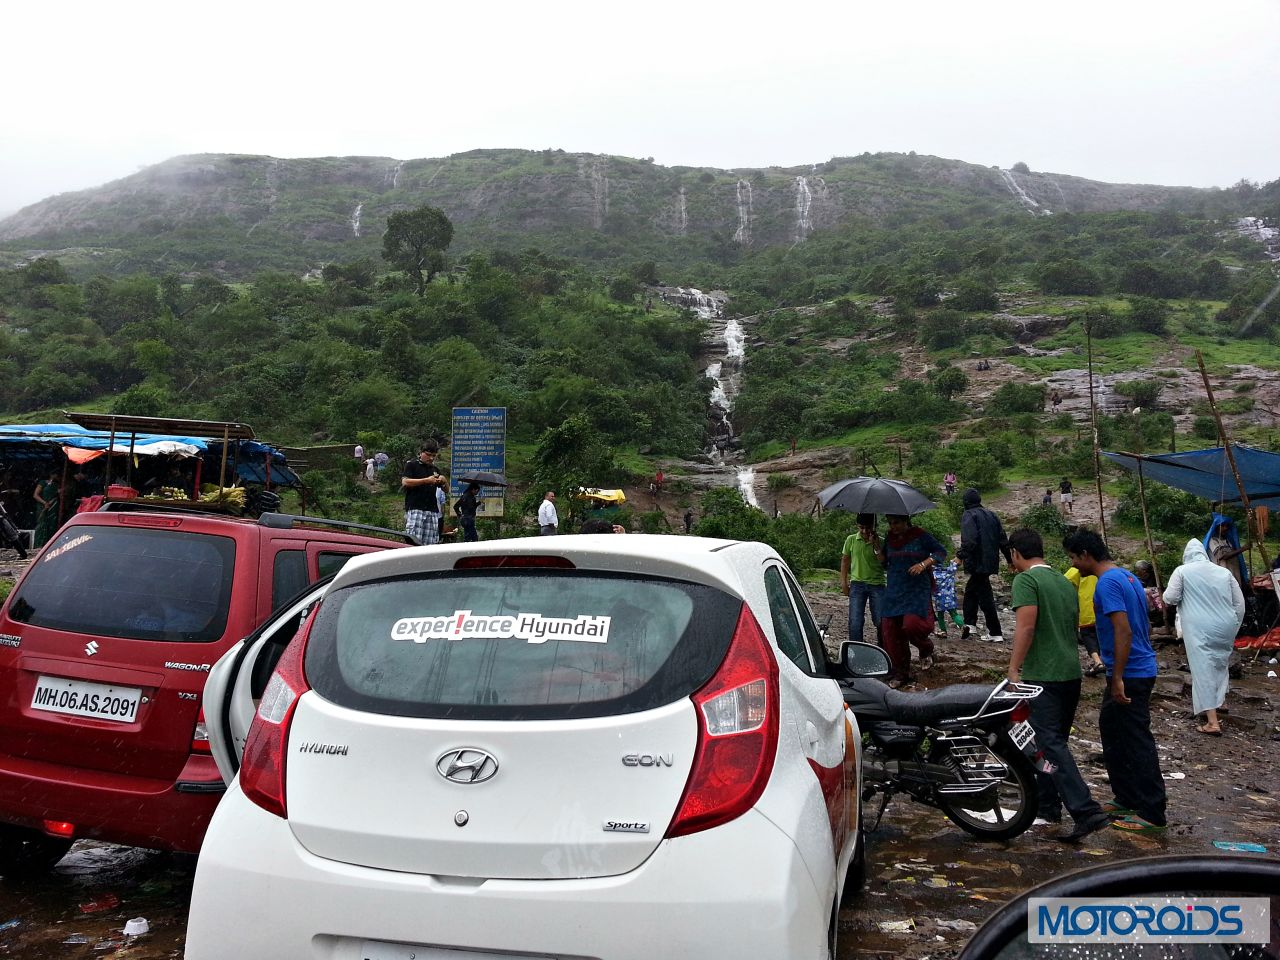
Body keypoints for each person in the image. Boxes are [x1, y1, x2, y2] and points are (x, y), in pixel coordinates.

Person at [1005, 528, 1111, 842]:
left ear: (1015, 553)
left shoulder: (1026, 580)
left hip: (1044, 674)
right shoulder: (1065, 581)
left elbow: (1026, 627)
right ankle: (1048, 807)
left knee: (1048, 744)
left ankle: (1086, 811)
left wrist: (1013, 669)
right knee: (1050, 744)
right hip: (1070, 673)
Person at [1064, 529, 1167, 835]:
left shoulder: (1107, 583)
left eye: (1073, 557)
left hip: (1130, 671)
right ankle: (1127, 797)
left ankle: (1152, 812)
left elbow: (1124, 630)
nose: (1073, 564)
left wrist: (1118, 676)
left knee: (1136, 739)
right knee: (1112, 730)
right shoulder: (1127, 576)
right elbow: (1141, 623)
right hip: (1134, 667)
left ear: (1086, 555)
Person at [1162, 539, 1245, 736]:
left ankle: (1212, 722)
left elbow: (1170, 598)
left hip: (1199, 627)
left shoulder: (1182, 571)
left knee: (1202, 669)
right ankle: (1220, 702)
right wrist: (1234, 625)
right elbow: (1239, 604)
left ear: (1187, 555)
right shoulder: (1223, 572)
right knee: (1220, 663)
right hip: (1226, 625)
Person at [878, 514, 947, 687]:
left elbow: (940, 552)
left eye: (896, 523)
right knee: (890, 630)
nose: (893, 526)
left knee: (912, 625)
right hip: (895, 589)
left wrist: (923, 564)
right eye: (890, 523)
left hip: (916, 589)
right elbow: (884, 563)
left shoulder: (920, 535)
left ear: (905, 521)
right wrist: (877, 548)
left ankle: (926, 648)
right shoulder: (889, 539)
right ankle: (901, 673)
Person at [958, 488, 1009, 641]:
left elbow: (970, 540)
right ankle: (970, 624)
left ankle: (994, 632)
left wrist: (960, 556)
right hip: (990, 561)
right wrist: (1010, 560)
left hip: (976, 562)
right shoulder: (992, 515)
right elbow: (1003, 539)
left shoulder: (969, 515)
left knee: (983, 596)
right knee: (973, 591)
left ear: (965, 502)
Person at [840, 513, 885, 644]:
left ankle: (883, 647)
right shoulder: (851, 540)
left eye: (868, 528)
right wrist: (843, 583)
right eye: (861, 528)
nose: (865, 531)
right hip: (857, 583)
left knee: (880, 620)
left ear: (873, 526)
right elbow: (845, 560)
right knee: (855, 620)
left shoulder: (881, 541)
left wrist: (876, 546)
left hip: (877, 584)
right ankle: (856, 649)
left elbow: (884, 563)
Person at [1064, 564, 1106, 677]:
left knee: (1087, 635)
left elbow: (1064, 582)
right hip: (1103, 608)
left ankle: (1098, 662)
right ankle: (1103, 661)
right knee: (1100, 635)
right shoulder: (1101, 568)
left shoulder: (1079, 569)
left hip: (1087, 608)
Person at [401, 443, 446, 545]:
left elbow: (446, 490)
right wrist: (426, 480)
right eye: (428, 455)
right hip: (416, 508)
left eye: (433, 456)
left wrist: (444, 481)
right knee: (414, 542)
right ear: (421, 453)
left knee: (431, 544)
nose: (431, 458)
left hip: (432, 511)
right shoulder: (412, 465)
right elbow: (405, 482)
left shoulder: (435, 470)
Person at [1133, 559, 1169, 635]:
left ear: (1144, 571)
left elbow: (1158, 589)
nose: (1137, 573)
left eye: (1138, 571)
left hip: (1157, 602)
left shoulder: (1154, 577)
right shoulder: (1138, 579)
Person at [932, 557, 962, 638]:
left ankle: (943, 631)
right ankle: (962, 626)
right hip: (950, 597)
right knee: (954, 614)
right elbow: (955, 565)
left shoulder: (933, 575)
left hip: (939, 599)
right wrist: (953, 561)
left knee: (940, 615)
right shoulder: (949, 571)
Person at [32, 469, 61, 548]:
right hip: (42, 507)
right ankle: (39, 545)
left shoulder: (57, 485)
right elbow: (35, 495)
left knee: (51, 526)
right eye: (55, 475)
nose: (57, 476)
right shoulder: (43, 483)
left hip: (53, 508)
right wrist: (44, 503)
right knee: (41, 525)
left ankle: (48, 545)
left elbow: (57, 496)